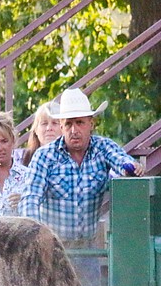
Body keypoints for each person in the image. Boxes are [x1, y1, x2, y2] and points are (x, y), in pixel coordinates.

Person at [19, 87, 142, 246]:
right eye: (68, 124)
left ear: (91, 124)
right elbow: (30, 199)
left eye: (79, 123)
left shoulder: (103, 147)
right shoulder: (44, 156)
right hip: (53, 247)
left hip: (87, 247)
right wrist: (37, 236)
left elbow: (120, 160)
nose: (74, 130)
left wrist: (131, 167)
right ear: (62, 127)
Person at [18, 101, 62, 166]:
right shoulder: (22, 158)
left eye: (55, 123)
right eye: (44, 123)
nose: (49, 128)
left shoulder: (72, 157)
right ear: (36, 129)